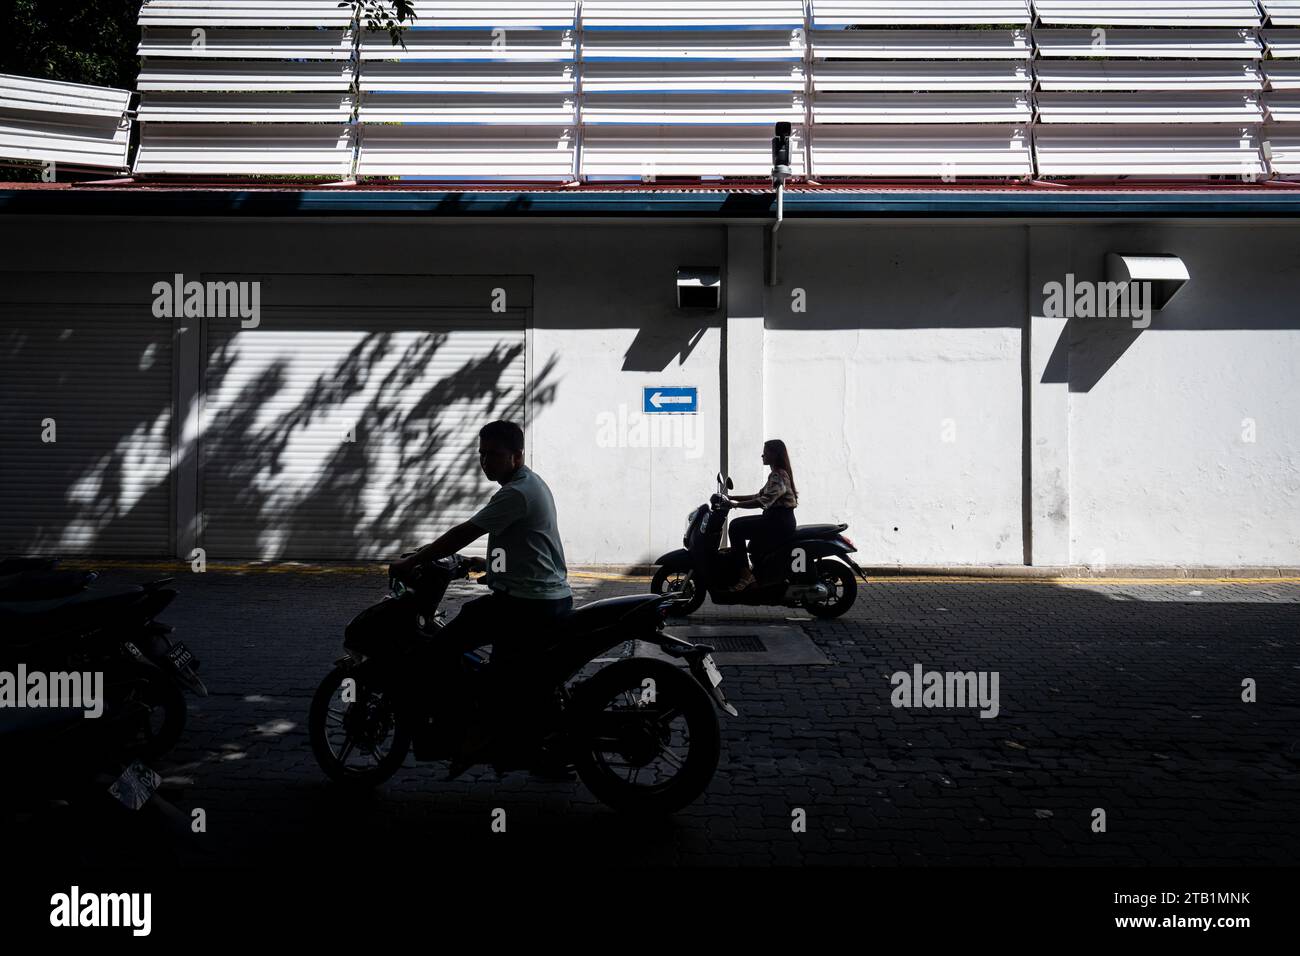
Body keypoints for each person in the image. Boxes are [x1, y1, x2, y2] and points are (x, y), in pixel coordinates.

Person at [390, 419, 571, 773]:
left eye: (495, 455)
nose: (486, 462)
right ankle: (526, 746)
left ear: (517, 456)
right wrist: (483, 563)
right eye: (482, 454)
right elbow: (528, 545)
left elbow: (466, 531)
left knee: (441, 647)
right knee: (500, 668)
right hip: (542, 597)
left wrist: (414, 559)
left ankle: (473, 735)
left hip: (527, 604)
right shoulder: (529, 484)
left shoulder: (515, 493)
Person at [724, 439, 799, 590]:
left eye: (766, 452)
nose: (762, 455)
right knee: (754, 546)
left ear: (775, 454)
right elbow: (758, 495)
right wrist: (732, 498)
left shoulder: (778, 476)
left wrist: (736, 506)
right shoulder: (776, 475)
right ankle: (760, 576)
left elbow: (764, 501)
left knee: (736, 527)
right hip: (775, 520)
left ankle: (746, 575)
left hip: (779, 522)